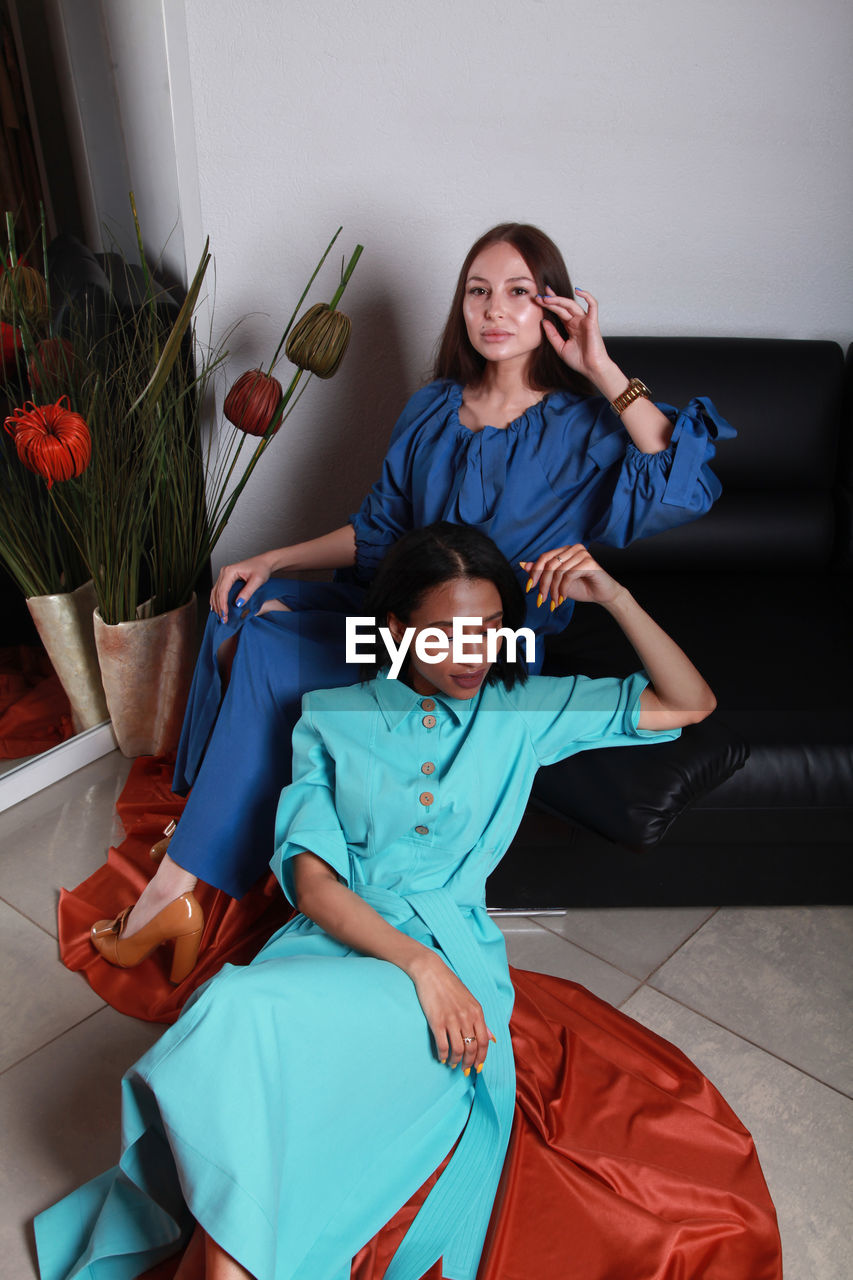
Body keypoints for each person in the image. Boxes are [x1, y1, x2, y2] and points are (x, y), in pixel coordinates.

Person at [37, 525, 781, 1280]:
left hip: (458, 953)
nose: (472, 654)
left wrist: (614, 597)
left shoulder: (525, 709)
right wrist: (419, 969)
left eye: (490, 631)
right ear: (393, 630)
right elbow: (314, 881)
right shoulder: (330, 716)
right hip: (341, 938)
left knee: (258, 1032)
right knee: (237, 1007)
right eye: (448, 634)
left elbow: (690, 703)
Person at [85, 222, 735, 982]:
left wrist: (598, 363)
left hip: (477, 648)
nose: (495, 311)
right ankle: (208, 825)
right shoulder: (431, 407)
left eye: (518, 294)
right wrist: (271, 557)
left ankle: (181, 884)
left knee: (264, 647)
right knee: (240, 604)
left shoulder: (580, 427)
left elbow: (684, 485)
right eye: (478, 292)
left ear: (552, 308)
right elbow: (379, 532)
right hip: (389, 617)